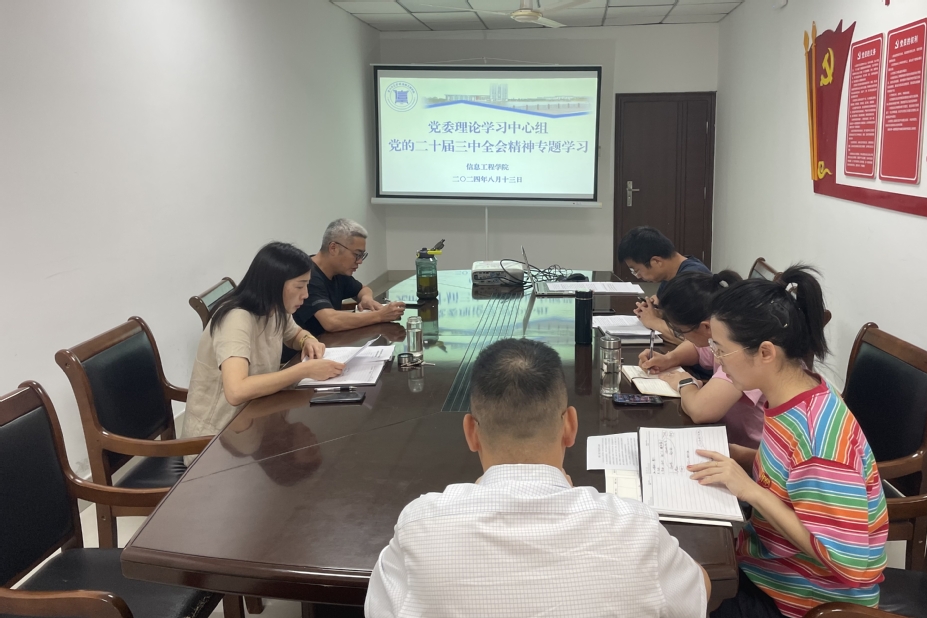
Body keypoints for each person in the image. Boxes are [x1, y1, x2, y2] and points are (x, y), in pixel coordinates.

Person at [366, 338, 710, 618]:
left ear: (471, 432)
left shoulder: (420, 526)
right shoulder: (635, 528)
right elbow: (698, 591)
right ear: (570, 426)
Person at [685, 266, 887, 618]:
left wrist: (751, 491)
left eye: (722, 349)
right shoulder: (793, 394)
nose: (716, 359)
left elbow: (848, 562)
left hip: (805, 600)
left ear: (765, 352)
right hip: (766, 565)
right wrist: (742, 457)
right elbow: (791, 477)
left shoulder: (819, 441)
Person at [181, 242, 345, 454]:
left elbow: (294, 334)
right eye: (299, 286)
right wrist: (304, 370)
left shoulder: (275, 308)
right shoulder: (236, 319)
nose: (305, 294)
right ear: (275, 285)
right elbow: (236, 391)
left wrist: (308, 340)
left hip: (255, 419)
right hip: (216, 441)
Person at [639, 270, 765, 448]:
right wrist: (669, 358)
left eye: (680, 331)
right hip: (726, 438)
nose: (683, 337)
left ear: (706, 327)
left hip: (750, 452)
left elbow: (701, 411)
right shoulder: (725, 332)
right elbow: (698, 348)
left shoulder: (743, 351)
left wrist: (685, 383)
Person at [293, 219, 405, 336]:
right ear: (333, 248)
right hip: (306, 345)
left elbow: (363, 289)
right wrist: (380, 316)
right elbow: (330, 321)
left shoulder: (337, 271)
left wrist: (366, 298)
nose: (360, 261)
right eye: (357, 254)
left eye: (362, 255)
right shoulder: (307, 276)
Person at [616, 226, 711, 335]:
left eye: (637, 270)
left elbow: (695, 336)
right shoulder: (670, 273)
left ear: (656, 261)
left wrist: (652, 321)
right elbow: (661, 302)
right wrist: (653, 310)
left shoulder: (691, 280)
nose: (638, 276)